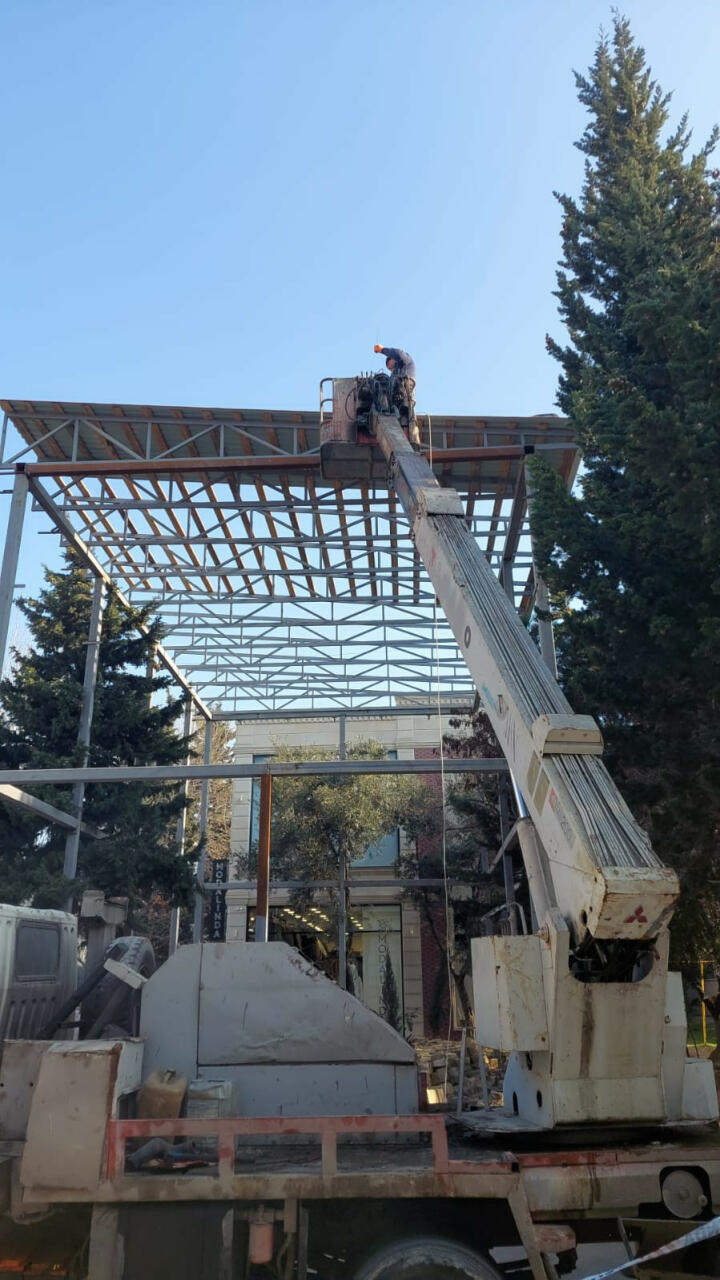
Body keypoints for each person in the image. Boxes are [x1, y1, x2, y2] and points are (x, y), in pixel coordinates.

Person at [372, 345, 420, 446]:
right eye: (388, 368)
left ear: (392, 359)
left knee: (410, 417)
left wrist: (382, 350)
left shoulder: (405, 360)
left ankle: (414, 441)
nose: (390, 369)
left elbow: (398, 353)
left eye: (389, 366)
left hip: (406, 389)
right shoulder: (395, 374)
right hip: (399, 394)